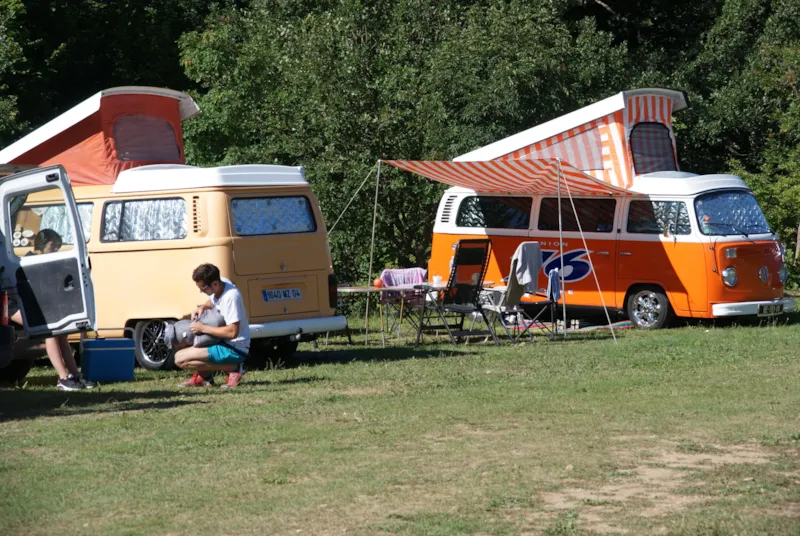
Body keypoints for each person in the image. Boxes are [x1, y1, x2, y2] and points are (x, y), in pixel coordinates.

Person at [8, 229, 95, 391]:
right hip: (14, 306)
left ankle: (75, 375)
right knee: (50, 331)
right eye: (52, 247)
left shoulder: (45, 262)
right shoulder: (28, 262)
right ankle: (63, 378)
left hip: (36, 306)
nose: (55, 251)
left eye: (57, 248)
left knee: (61, 333)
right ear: (41, 245)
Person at [175, 263, 250, 388]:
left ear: (214, 284)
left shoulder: (231, 297)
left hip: (234, 347)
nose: (201, 291)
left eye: (203, 288)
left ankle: (235, 368)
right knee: (179, 339)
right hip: (220, 340)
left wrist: (203, 328)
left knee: (180, 359)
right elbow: (212, 300)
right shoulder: (221, 283)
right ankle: (204, 378)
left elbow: (232, 332)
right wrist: (204, 307)